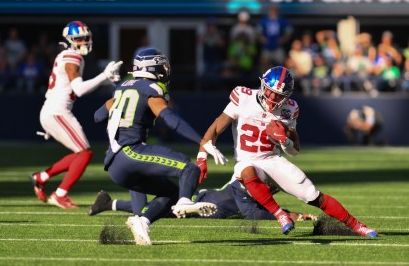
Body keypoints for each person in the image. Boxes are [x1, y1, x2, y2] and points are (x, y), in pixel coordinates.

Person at [196, 66, 378, 237]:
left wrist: (285, 140)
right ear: (263, 85)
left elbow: (294, 151)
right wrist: (202, 155)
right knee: (245, 168)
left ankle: (357, 225)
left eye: (279, 95)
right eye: (270, 91)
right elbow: (216, 128)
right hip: (248, 161)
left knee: (314, 195)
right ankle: (280, 214)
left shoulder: (289, 109)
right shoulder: (243, 97)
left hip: (272, 160)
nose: (273, 98)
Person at [93, 47, 227, 245]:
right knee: (188, 168)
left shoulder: (122, 88)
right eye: (163, 67)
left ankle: (142, 221)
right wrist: (201, 141)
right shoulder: (151, 89)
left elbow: (98, 116)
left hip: (114, 165)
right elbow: (170, 119)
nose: (166, 71)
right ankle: (184, 202)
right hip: (130, 151)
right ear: (154, 68)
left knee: (170, 193)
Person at [30, 21, 123, 209]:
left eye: (86, 38)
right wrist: (104, 76)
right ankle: (60, 194)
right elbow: (79, 89)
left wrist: (107, 81)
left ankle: (42, 177)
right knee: (85, 153)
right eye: (80, 39)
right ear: (70, 40)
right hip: (57, 111)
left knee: (81, 152)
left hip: (54, 111)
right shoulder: (72, 56)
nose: (85, 42)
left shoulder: (69, 55)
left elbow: (75, 86)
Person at [88, 181, 318, 222]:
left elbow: (264, 206)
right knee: (160, 210)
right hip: (201, 204)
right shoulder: (245, 186)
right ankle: (109, 203)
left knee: (161, 210)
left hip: (207, 201)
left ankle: (108, 203)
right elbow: (256, 213)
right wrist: (291, 216)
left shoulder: (251, 185)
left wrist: (294, 213)